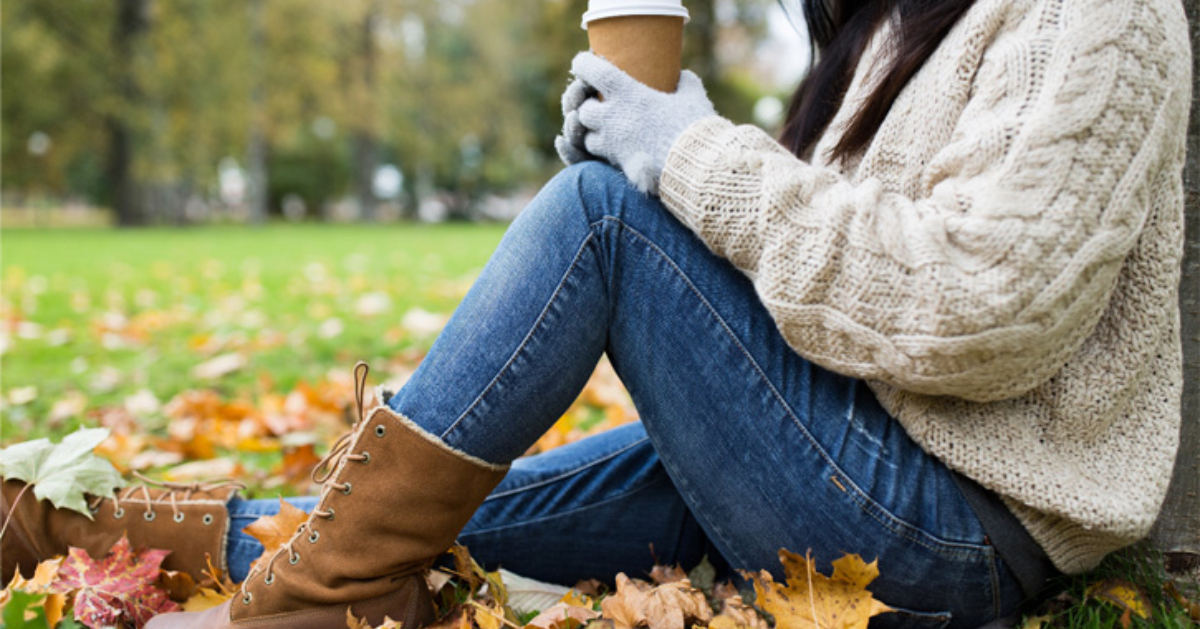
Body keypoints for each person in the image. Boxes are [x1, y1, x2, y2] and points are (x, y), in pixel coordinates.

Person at [1, 0, 1189, 626]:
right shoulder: (895, 27)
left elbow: (981, 310)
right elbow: (823, 255)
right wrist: (676, 141)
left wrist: (685, 161)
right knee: (446, 520)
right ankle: (78, 533)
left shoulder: (1101, 12)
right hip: (843, 450)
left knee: (599, 216)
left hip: (955, 526)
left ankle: (303, 607)